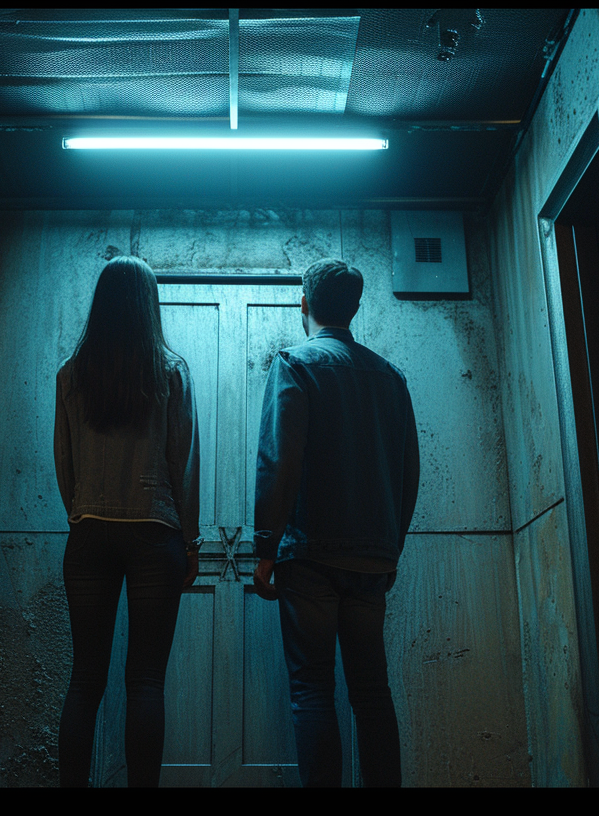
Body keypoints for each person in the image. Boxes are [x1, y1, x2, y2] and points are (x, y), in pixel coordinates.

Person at [252, 257, 420, 787]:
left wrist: (265, 546)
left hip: (310, 558)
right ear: (355, 306)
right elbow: (407, 471)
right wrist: (390, 545)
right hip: (372, 558)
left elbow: (280, 461)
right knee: (372, 695)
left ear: (303, 303)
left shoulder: (295, 365)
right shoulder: (390, 377)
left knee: (312, 692)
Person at [53, 256, 201, 787]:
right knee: (145, 682)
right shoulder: (171, 371)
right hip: (155, 531)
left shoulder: (71, 374)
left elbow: (63, 463)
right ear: (147, 304)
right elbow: (182, 463)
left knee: (84, 680)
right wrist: (192, 540)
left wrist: (84, 509)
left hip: (88, 531)